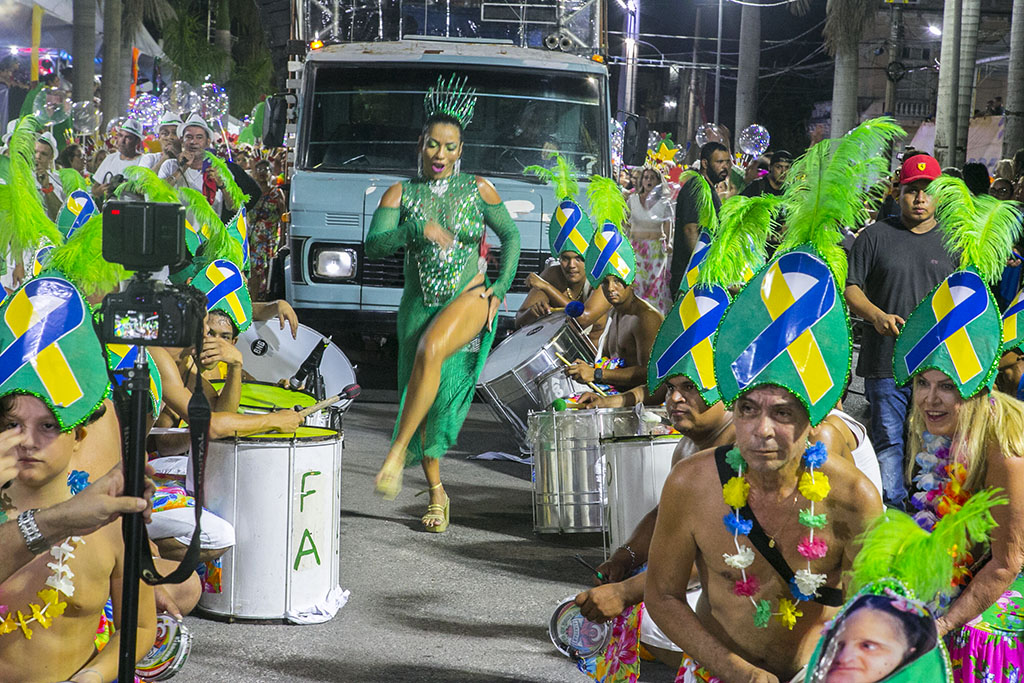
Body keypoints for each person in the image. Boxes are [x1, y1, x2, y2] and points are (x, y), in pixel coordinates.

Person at [644, 120, 897, 682]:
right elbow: (663, 596)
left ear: (814, 420)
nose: (761, 429)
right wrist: (731, 669)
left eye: (783, 413)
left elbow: (868, 616)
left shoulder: (853, 498)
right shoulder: (691, 484)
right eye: (749, 409)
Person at [368, 76, 520, 534]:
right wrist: (416, 230)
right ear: (421, 144)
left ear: (460, 149)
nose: (440, 154)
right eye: (433, 144)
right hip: (418, 305)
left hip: (470, 295)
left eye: (449, 147)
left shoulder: (478, 189)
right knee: (428, 396)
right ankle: (436, 491)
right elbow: (374, 246)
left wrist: (502, 284)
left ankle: (396, 453)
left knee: (432, 352)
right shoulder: (400, 194)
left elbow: (510, 236)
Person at [891, 175, 1024, 682]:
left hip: (1005, 613)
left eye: (947, 385)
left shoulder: (1004, 446)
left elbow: (1007, 563)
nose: (930, 398)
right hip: (968, 585)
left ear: (975, 388)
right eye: (923, 384)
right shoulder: (940, 433)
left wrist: (941, 622)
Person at [0, 274, 156, 682]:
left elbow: (139, 627)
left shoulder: (109, 521)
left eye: (49, 426)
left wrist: (94, 676)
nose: (27, 442)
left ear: (78, 434)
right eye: (13, 424)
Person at [844, 153, 957, 509]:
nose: (920, 197)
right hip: (885, 363)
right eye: (912, 190)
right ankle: (891, 515)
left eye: (928, 190)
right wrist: (877, 316)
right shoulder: (874, 236)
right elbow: (852, 289)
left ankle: (928, 515)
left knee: (933, 442)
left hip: (937, 366)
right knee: (889, 442)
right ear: (897, 193)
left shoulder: (956, 242)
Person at [565, 180, 663, 392]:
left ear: (631, 280)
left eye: (618, 281)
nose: (611, 288)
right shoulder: (616, 313)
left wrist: (597, 374)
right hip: (612, 395)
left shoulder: (646, 318)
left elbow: (650, 373)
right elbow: (611, 363)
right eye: (606, 282)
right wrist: (588, 371)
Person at [519, 155, 610, 347]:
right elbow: (518, 320)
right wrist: (533, 312)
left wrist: (546, 288)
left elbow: (582, 320)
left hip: (597, 360)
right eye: (565, 259)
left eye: (579, 259)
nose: (571, 266)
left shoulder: (602, 281)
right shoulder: (553, 273)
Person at [670, 142, 730, 293]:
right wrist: (702, 267)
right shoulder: (696, 188)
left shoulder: (709, 188)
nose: (725, 167)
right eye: (719, 162)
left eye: (727, 162)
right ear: (705, 163)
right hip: (691, 277)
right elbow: (690, 230)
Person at [158, 114, 235, 217]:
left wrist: (222, 185)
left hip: (208, 232)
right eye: (189, 137)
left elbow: (234, 207)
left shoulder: (220, 170)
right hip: (177, 231)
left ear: (208, 142)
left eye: (199, 137)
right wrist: (181, 169)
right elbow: (158, 194)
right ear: (182, 140)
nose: (193, 142)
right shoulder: (170, 166)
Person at [626, 166, 674, 313]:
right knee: (636, 283)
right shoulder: (632, 200)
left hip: (656, 250)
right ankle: (635, 313)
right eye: (646, 177)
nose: (648, 180)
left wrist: (670, 242)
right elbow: (624, 222)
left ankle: (653, 315)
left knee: (654, 284)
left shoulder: (664, 202)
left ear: (658, 182)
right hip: (636, 249)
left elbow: (668, 223)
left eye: (652, 178)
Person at [248, 159, 287, 299]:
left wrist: (283, 239)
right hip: (253, 239)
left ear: (271, 173)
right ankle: (254, 300)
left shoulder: (276, 193)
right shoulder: (251, 192)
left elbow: (284, 216)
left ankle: (265, 297)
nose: (262, 173)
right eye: (259, 170)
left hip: (270, 239)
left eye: (266, 170)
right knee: (254, 270)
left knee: (268, 270)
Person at [91, 118, 146, 199]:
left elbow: (149, 193)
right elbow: (94, 189)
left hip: (135, 208)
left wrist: (128, 187)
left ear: (137, 141)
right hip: (111, 207)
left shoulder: (144, 161)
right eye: (120, 136)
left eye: (128, 138)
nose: (122, 141)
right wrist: (102, 189)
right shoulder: (110, 159)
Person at [33, 131, 63, 219]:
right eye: (35, 152)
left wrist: (47, 188)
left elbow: (60, 217)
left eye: (43, 154)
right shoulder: (22, 174)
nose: (38, 156)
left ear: (51, 157)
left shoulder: (59, 180)